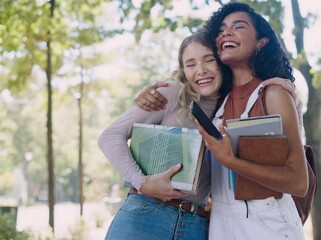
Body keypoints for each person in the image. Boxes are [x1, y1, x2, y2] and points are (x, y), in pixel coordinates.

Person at [99, 30, 300, 239]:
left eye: (208, 60)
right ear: (183, 70)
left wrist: (286, 91)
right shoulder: (171, 94)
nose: (201, 70)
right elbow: (110, 136)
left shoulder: (232, 107)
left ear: (222, 63)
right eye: (191, 64)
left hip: (195, 224)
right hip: (146, 214)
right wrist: (141, 181)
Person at [196, 3, 309, 239]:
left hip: (268, 224)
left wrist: (232, 161)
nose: (225, 33)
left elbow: (299, 182)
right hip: (221, 224)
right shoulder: (215, 102)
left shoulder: (273, 94)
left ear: (261, 42)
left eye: (238, 27)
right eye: (221, 30)